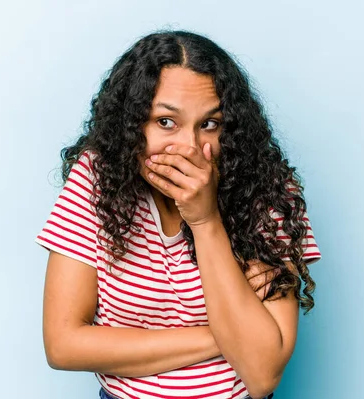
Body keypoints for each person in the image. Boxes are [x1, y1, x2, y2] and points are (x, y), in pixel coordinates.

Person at [35, 30, 322, 399]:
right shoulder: (96, 181)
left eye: (209, 124)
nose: (188, 148)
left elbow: (262, 373)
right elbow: (64, 345)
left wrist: (205, 221)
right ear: (131, 125)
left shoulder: (265, 190)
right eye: (166, 122)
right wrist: (224, 337)